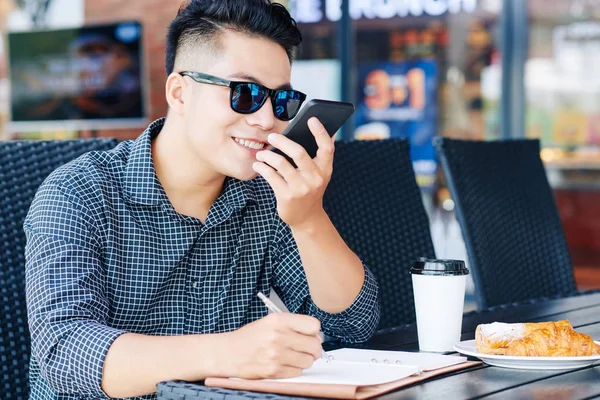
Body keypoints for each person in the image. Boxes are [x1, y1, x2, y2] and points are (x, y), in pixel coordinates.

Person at [24, 1, 380, 399]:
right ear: (179, 92)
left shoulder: (267, 192)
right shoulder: (79, 192)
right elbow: (65, 352)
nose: (266, 120)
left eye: (281, 101)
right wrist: (230, 352)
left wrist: (309, 218)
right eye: (244, 94)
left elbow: (354, 324)